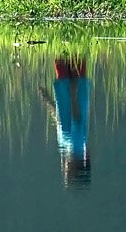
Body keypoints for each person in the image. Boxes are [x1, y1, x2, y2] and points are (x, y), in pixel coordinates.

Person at [36, 55, 91, 186]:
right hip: (73, 86)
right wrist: (73, 91)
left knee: (60, 53)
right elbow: (76, 117)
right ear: (75, 167)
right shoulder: (78, 145)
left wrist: (47, 100)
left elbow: (60, 119)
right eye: (68, 172)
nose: (64, 169)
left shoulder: (66, 146)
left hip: (65, 87)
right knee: (74, 53)